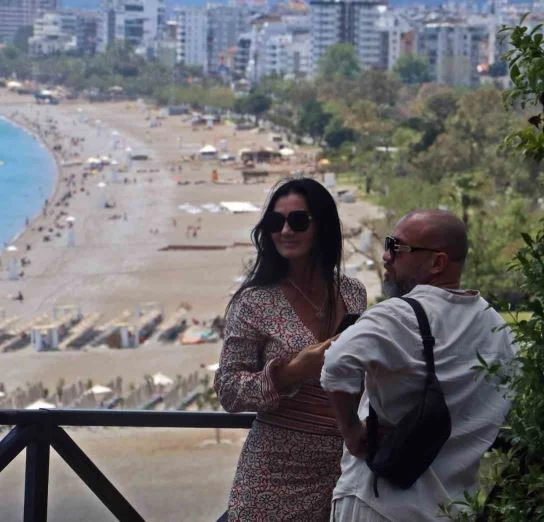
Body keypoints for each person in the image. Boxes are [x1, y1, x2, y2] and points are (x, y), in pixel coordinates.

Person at [321, 209, 515, 521]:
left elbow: (335, 363)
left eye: (397, 247)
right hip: (451, 508)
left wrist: (352, 431)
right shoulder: (495, 326)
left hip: (377, 502)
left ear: (438, 263)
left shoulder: (397, 315)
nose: (386, 256)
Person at [214, 178, 367, 521]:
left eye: (297, 221)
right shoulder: (254, 302)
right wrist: (293, 371)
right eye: (275, 222)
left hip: (342, 469)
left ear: (321, 226)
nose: (285, 231)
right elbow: (228, 390)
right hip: (274, 475)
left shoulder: (353, 293)